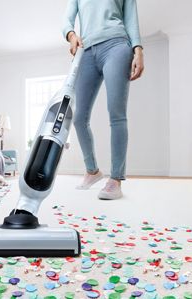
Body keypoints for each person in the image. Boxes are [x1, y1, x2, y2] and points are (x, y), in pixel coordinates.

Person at [63, 0, 144, 200]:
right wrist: (71, 35)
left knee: (116, 114)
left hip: (116, 45)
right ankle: (92, 171)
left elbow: (131, 19)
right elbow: (66, 19)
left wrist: (138, 49)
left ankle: (115, 179)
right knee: (79, 118)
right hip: (87, 51)